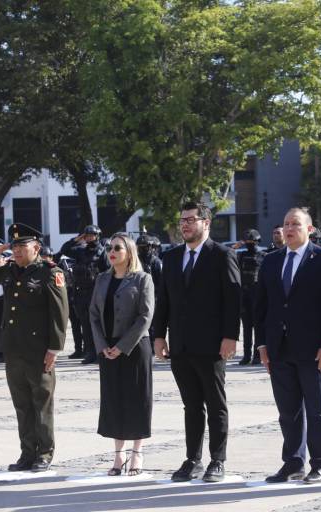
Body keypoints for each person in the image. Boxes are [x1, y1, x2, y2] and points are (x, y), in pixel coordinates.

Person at [255, 208, 321, 484]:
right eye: (285, 224)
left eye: (295, 224)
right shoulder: (271, 261)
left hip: (313, 348)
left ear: (309, 229)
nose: (289, 229)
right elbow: (262, 306)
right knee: (288, 409)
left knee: (317, 407)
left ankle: (320, 462)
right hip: (279, 347)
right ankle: (293, 462)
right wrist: (262, 345)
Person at [152, 201, 241, 483]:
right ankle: (193, 459)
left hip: (212, 345)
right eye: (182, 220)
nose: (185, 225)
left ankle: (218, 459)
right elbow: (164, 299)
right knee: (191, 405)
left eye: (191, 219)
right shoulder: (173, 257)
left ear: (206, 222)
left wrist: (230, 336)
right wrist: (158, 336)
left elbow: (233, 300)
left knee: (215, 404)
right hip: (181, 345)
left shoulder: (221, 255)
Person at [0, 223, 69, 472]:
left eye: (21, 245)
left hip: (39, 350)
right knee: (22, 404)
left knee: (42, 403)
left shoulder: (49, 272)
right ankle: (27, 453)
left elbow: (60, 313)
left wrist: (54, 349)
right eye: (13, 246)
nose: (15, 250)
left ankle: (44, 453)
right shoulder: (10, 270)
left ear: (36, 247)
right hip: (13, 348)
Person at [89, 233, 155, 476]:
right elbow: (93, 314)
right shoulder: (102, 279)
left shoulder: (142, 279)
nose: (112, 252)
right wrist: (102, 345)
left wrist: (122, 345)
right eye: (109, 248)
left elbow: (145, 317)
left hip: (135, 348)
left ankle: (137, 452)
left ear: (129, 252)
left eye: (117, 248)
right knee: (113, 400)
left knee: (137, 399)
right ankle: (118, 455)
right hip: (107, 348)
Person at [61, 225, 110, 364]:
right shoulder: (80, 251)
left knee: (97, 324)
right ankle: (90, 353)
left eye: (91, 235)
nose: (89, 237)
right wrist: (77, 239)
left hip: (95, 292)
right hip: (80, 293)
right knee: (85, 325)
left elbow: (107, 273)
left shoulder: (102, 252)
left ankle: (100, 352)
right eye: (86, 235)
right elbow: (65, 249)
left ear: (97, 236)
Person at [237, 229, 266, 365]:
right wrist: (235, 246)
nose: (250, 244)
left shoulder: (264, 256)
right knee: (247, 328)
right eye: (247, 242)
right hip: (244, 296)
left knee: (258, 327)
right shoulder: (241, 255)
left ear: (257, 242)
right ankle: (246, 356)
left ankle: (257, 356)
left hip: (258, 296)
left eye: (252, 242)